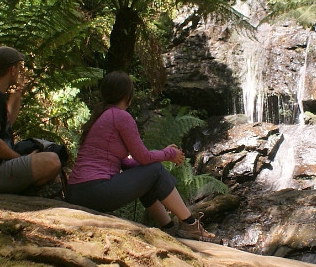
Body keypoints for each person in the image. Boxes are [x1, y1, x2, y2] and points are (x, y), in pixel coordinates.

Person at [65, 71, 217, 242]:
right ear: (128, 95)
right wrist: (168, 154)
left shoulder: (101, 116)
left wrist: (161, 155)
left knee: (149, 173)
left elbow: (128, 163)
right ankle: (191, 225)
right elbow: (144, 157)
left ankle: (170, 228)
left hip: (78, 192)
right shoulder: (120, 116)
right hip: (94, 190)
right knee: (156, 170)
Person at [0, 46, 62, 195]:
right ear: (12, 70)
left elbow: (6, 124)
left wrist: (16, 96)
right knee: (52, 161)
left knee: (46, 149)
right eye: (18, 67)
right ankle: (32, 190)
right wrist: (20, 159)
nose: (19, 71)